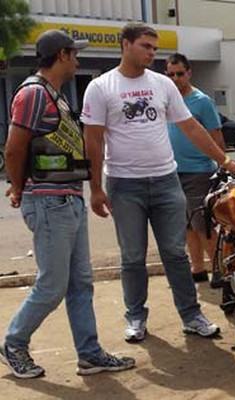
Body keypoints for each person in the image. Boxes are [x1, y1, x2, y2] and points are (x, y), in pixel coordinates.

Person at [81, 23, 235, 344]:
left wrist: (224, 160)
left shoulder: (162, 84)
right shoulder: (101, 87)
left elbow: (191, 127)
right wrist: (96, 189)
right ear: (126, 44)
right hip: (124, 185)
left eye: (155, 48)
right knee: (132, 257)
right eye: (146, 46)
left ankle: (191, 315)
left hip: (165, 181)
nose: (152, 53)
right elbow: (93, 141)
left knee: (175, 253)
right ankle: (135, 317)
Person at [1, 29, 135, 379]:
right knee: (52, 284)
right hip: (49, 202)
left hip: (68, 199)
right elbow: (14, 148)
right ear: (61, 55)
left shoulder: (54, 95)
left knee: (80, 283)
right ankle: (13, 342)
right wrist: (17, 188)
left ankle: (89, 354)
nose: (77, 60)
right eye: (74, 54)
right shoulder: (32, 93)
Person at [165, 52, 224, 287]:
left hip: (199, 172)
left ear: (189, 73)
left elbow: (216, 135)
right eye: (170, 74)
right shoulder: (168, 99)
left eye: (180, 73)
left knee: (204, 225)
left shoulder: (201, 101)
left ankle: (219, 268)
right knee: (187, 224)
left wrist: (223, 167)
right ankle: (198, 268)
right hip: (173, 173)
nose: (176, 78)